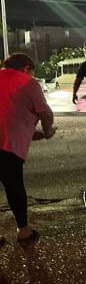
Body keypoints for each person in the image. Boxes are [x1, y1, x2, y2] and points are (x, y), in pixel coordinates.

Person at [0, 53, 56, 243]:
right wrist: (47, 130)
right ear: (26, 69)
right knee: (14, 186)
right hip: (7, 147)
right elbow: (45, 113)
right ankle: (23, 230)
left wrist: (31, 133)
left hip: (6, 139)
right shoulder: (28, 82)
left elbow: (9, 114)